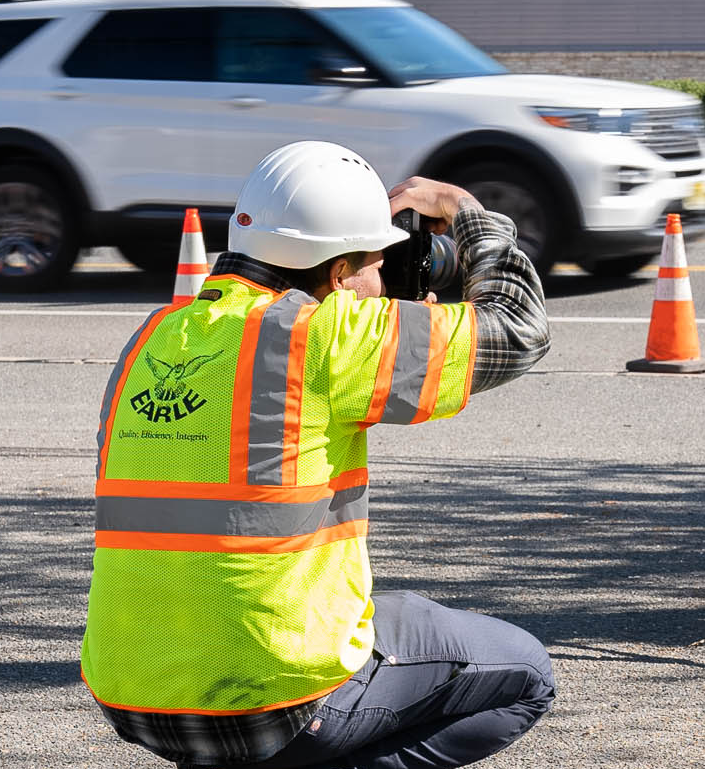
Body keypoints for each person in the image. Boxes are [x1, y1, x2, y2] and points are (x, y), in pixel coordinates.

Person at [80, 141, 554, 768]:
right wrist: (467, 210)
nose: (384, 283)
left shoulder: (151, 337)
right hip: (280, 699)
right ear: (337, 274)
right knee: (526, 673)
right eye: (377, 265)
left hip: (135, 692)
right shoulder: (323, 336)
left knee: (393, 615)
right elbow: (518, 327)